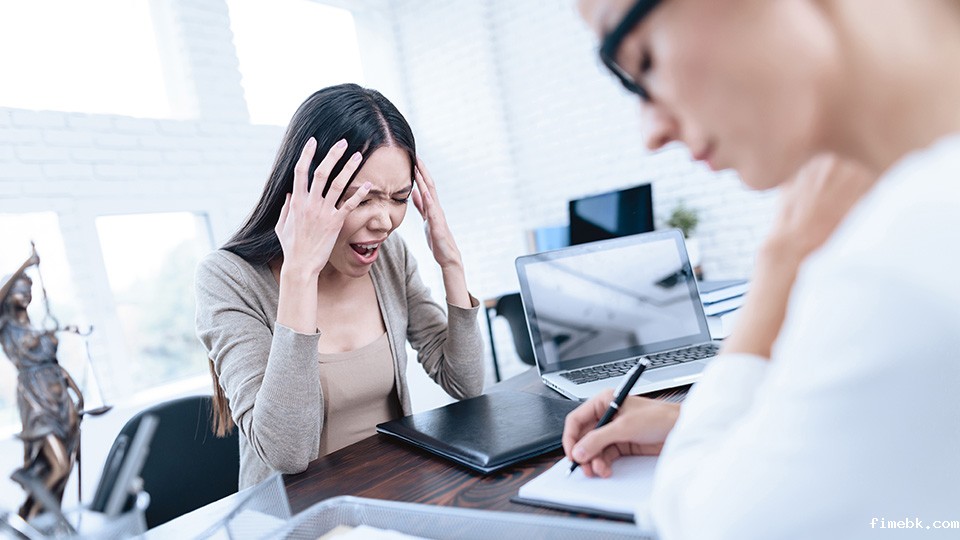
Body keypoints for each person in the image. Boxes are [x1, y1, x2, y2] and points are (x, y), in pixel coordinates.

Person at [564, 0, 960, 537]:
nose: (651, 132)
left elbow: (703, 525)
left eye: (642, 60)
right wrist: (722, 424)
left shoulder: (896, 268)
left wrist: (782, 263)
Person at [195, 84, 485, 489]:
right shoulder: (227, 279)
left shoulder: (389, 257)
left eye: (398, 198)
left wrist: (450, 262)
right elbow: (287, 452)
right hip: (297, 519)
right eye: (361, 200)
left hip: (394, 495)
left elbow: (466, 383)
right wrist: (300, 274)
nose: (384, 221)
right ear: (306, 191)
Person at [0, 258, 84, 520]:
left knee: (65, 465)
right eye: (20, 290)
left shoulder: (36, 325)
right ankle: (27, 520)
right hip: (35, 400)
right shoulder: (6, 327)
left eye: (29, 290)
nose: (26, 295)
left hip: (60, 397)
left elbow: (54, 365)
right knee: (57, 465)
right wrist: (26, 264)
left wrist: (77, 393)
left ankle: (50, 518)